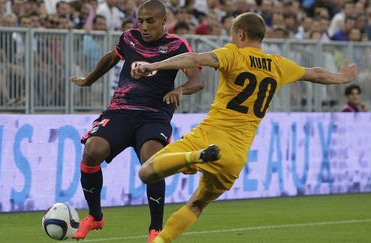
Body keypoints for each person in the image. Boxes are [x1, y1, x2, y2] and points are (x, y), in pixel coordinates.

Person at [131, 12, 358, 243]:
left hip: (207, 137)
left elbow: (194, 59)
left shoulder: (234, 54)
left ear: (240, 34)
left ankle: (194, 157)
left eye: (231, 34)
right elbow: (316, 74)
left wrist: (154, 65)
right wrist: (342, 78)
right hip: (235, 156)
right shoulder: (278, 64)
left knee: (146, 172)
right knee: (198, 204)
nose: (230, 39)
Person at [69, 0, 203, 242]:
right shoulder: (129, 38)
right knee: (91, 152)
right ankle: (95, 217)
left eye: (150, 21)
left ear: (164, 21)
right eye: (140, 21)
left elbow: (197, 81)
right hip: (120, 111)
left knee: (152, 163)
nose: (144, 26)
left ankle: (155, 231)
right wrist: (89, 80)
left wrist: (181, 90)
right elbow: (111, 58)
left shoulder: (177, 46)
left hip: (154, 115)